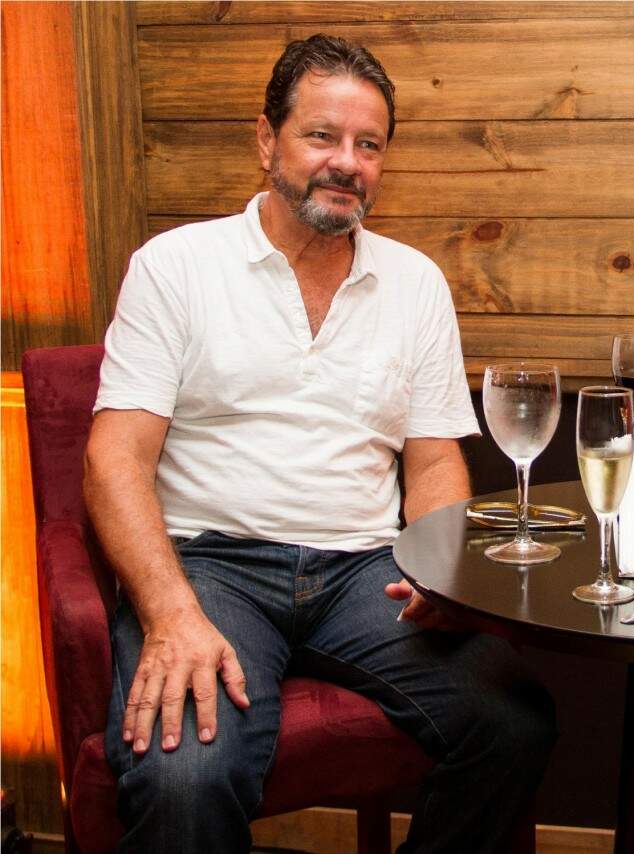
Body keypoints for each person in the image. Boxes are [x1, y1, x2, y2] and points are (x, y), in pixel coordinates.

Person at [85, 34, 556, 853]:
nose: (347, 162)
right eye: (321, 136)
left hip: (367, 574)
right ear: (266, 140)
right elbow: (112, 458)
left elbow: (435, 459)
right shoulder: (176, 267)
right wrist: (169, 612)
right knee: (185, 777)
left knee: (513, 719)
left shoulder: (414, 283)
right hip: (213, 566)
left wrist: (440, 572)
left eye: (368, 145)